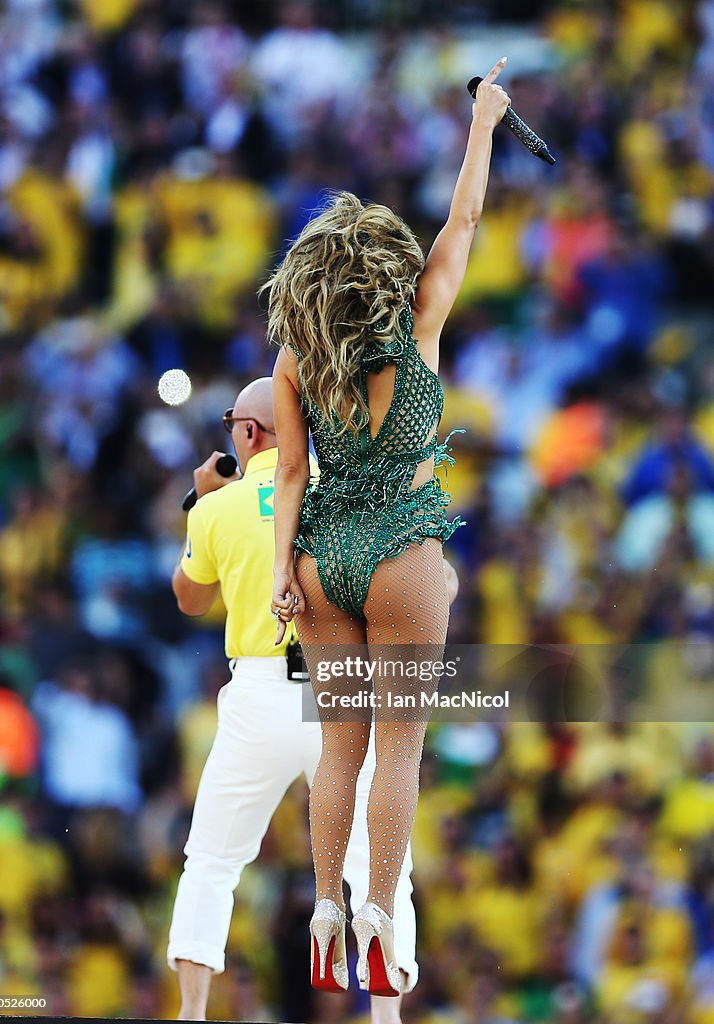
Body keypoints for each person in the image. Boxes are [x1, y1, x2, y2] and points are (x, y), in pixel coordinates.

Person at [267, 60, 511, 996]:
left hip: (324, 552)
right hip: (403, 551)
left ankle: (323, 906)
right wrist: (483, 121)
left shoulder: (297, 359)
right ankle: (376, 911)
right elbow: (465, 222)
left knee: (340, 747)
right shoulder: (418, 328)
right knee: (398, 746)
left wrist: (286, 565)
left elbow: (290, 472)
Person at [167, 377, 443, 1023]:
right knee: (379, 866)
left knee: (212, 858)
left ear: (247, 433)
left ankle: (192, 1012)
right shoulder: (348, 497)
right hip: (344, 687)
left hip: (261, 689)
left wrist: (204, 507)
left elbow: (191, 600)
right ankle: (386, 1016)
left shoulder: (219, 507)